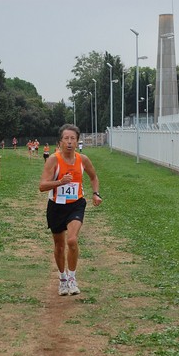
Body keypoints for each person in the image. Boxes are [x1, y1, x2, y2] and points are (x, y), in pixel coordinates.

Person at [39, 124, 103, 296]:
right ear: (60, 142)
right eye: (66, 138)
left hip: (76, 204)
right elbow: (42, 186)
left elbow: (93, 177)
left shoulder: (83, 160)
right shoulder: (53, 159)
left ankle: (73, 278)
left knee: (72, 240)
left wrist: (96, 193)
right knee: (59, 246)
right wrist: (60, 182)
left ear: (77, 141)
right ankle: (63, 279)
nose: (69, 142)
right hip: (56, 207)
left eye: (72, 138)